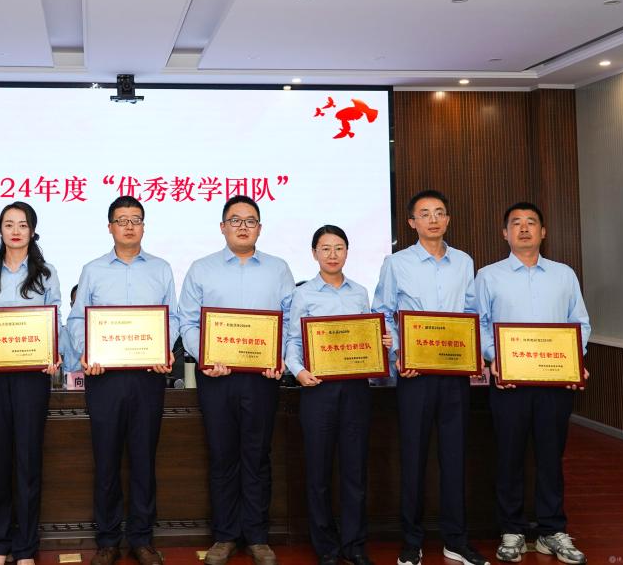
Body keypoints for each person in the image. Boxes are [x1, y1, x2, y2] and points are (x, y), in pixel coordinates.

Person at [371, 190, 488, 565]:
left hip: (454, 374)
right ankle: (412, 541)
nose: (433, 219)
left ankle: (456, 540)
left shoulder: (464, 262)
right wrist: (398, 354)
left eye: (439, 212)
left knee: (454, 457)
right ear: (412, 223)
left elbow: (470, 312)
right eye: (424, 213)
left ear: (448, 219)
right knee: (413, 458)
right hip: (415, 375)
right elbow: (383, 312)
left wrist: (473, 350)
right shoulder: (397, 263)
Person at [179, 195, 295, 565]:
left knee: (257, 455)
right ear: (222, 227)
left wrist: (281, 357)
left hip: (262, 377)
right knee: (222, 455)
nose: (243, 227)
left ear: (260, 228)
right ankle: (226, 536)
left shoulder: (278, 269)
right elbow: (187, 322)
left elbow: (291, 319)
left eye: (250, 220)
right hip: (217, 376)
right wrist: (206, 356)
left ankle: (258, 537)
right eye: (235, 220)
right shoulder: (202, 269)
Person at [66, 196, 179, 565]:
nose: (129, 226)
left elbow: (173, 318)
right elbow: (77, 320)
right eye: (121, 220)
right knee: (107, 460)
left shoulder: (161, 269)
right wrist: (87, 352)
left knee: (144, 459)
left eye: (136, 219)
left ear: (144, 226)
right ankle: (108, 540)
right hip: (106, 378)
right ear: (110, 227)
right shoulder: (93, 270)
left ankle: (142, 539)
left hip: (148, 377)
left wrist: (164, 349)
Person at [475, 203, 590, 564]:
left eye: (531, 222)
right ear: (504, 233)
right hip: (509, 383)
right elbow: (479, 323)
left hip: (555, 383)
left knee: (550, 457)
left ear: (543, 232)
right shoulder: (488, 276)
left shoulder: (563, 275)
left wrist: (574, 359)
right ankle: (511, 529)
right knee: (509, 456)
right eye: (516, 223)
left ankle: (551, 530)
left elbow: (580, 322)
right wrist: (495, 359)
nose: (524, 228)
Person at [284, 225, 392, 565]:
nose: (332, 255)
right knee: (318, 471)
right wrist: (298, 371)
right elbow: (293, 340)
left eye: (339, 248)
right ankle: (326, 547)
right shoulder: (303, 294)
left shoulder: (360, 292)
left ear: (347, 252)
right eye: (326, 248)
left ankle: (354, 544)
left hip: (356, 389)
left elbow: (368, 336)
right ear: (314, 253)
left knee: (354, 470)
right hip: (317, 389)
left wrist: (383, 342)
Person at [0, 202, 62, 565]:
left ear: (32, 231)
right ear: (1, 230)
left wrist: (54, 352)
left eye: (22, 225)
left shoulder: (46, 273)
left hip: (31, 378)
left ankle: (25, 548)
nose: (15, 231)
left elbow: (56, 319)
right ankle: (1, 544)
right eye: (8, 224)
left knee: (27, 459)